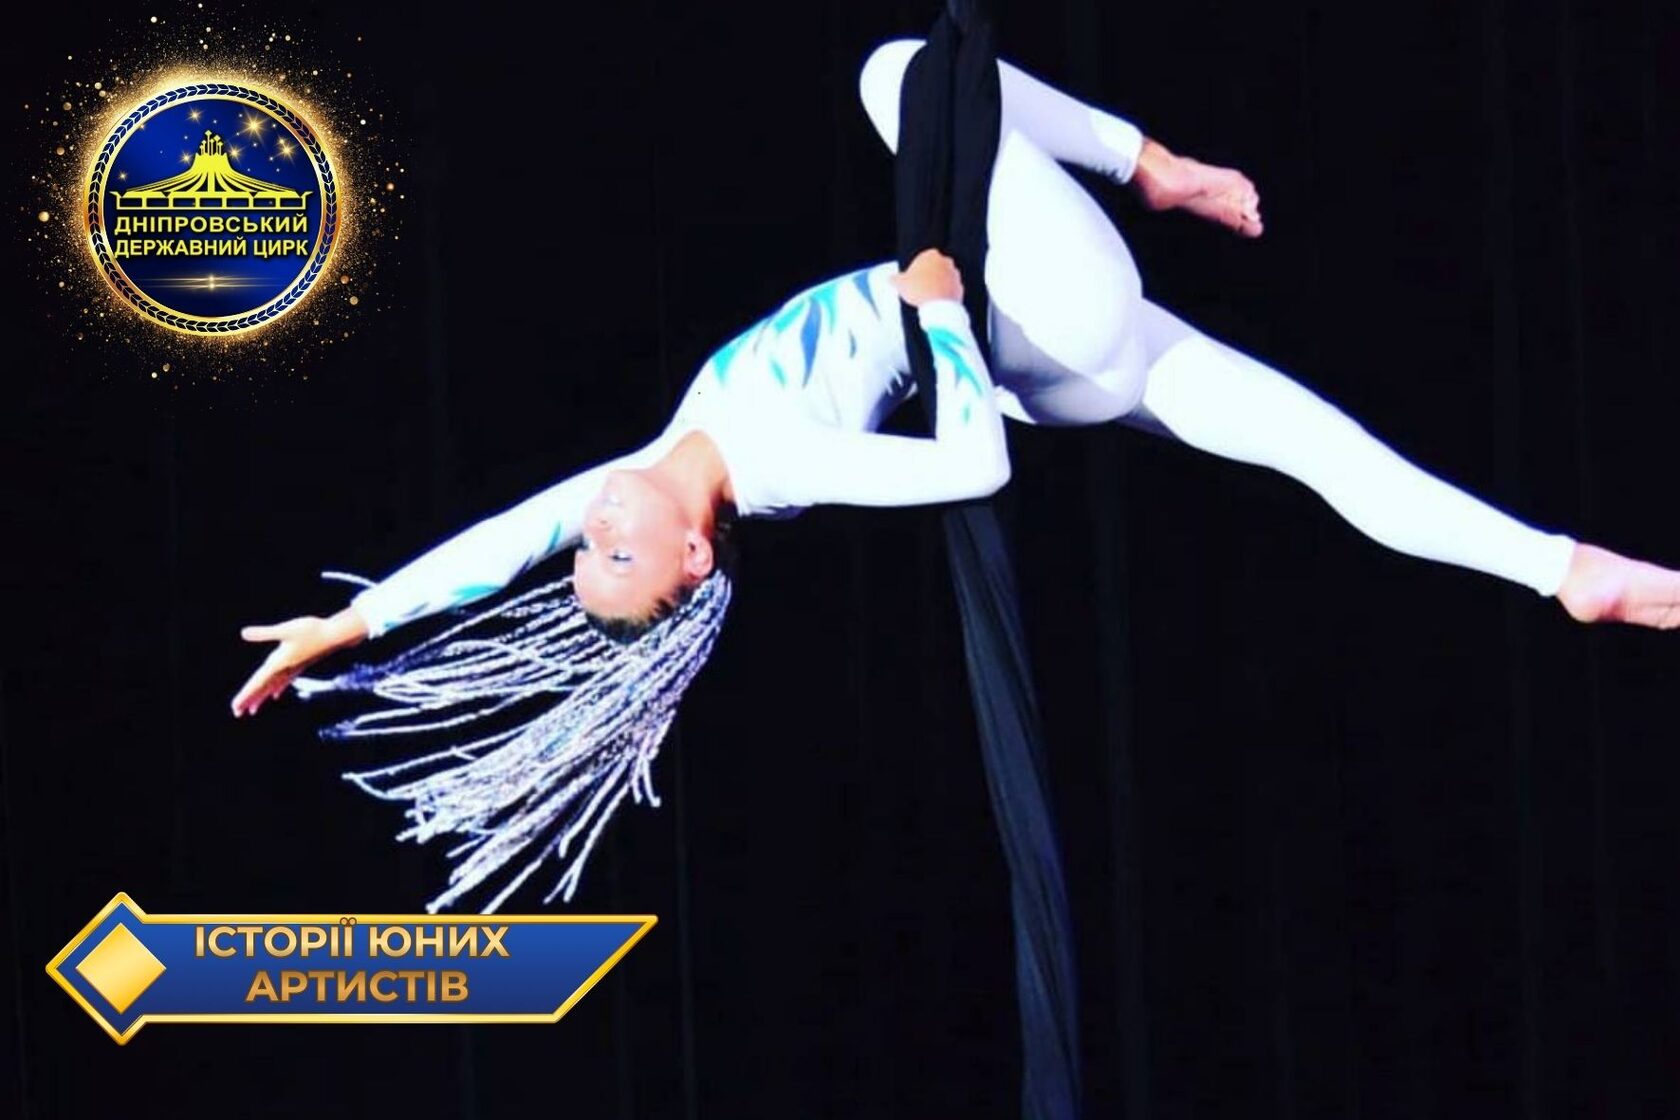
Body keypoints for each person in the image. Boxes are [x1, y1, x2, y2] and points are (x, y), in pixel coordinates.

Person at [231, 39, 1680, 912]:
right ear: (696, 560)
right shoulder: (779, 459)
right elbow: (971, 466)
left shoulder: (639, 472)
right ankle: (1152, 166)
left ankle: (1568, 573)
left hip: (1061, 353)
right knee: (901, 76)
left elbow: (487, 547)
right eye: (619, 557)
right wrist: (933, 313)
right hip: (1041, 328)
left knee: (1325, 456)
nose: (593, 528)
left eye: (586, 551)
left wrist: (346, 626)